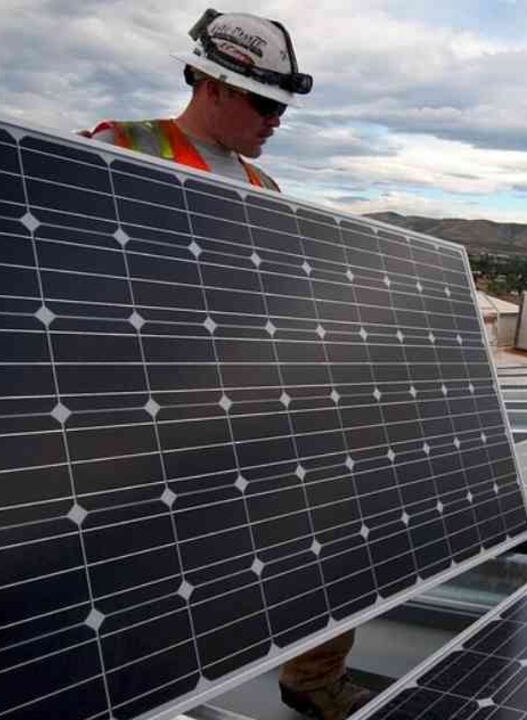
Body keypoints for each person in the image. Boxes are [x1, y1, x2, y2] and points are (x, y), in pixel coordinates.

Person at [87, 10, 371, 720]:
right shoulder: (123, 147)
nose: (276, 121)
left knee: (333, 520)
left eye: (282, 108)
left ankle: (315, 676)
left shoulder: (263, 187)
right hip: (145, 408)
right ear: (212, 85)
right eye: (264, 104)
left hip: (239, 399)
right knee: (146, 572)